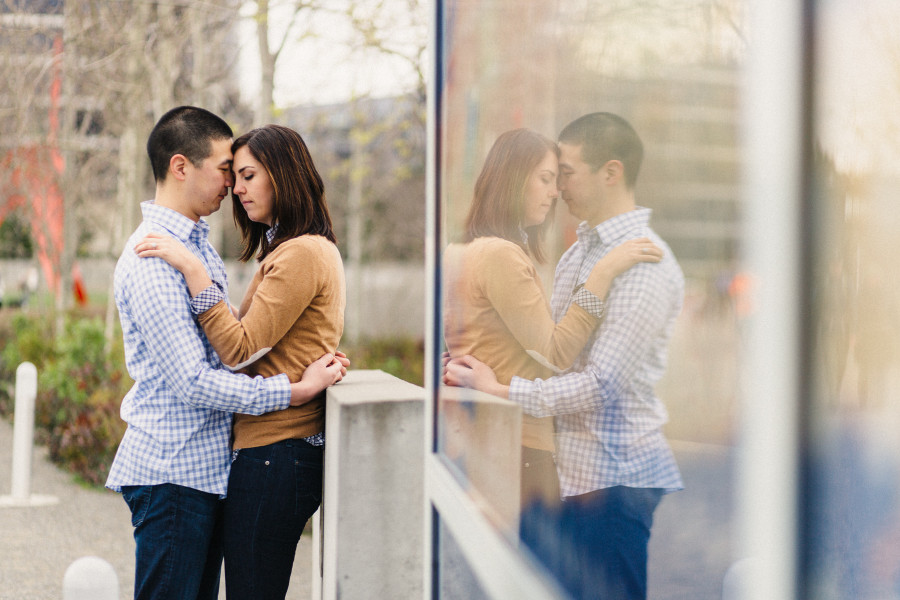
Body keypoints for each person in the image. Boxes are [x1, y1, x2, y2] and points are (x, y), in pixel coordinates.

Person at [106, 107, 345, 600]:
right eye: (225, 170)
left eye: (244, 174)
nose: (232, 186)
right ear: (180, 167)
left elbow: (236, 343)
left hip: (203, 470)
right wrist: (293, 389)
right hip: (173, 471)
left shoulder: (198, 249)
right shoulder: (154, 259)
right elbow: (196, 378)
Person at [445, 113, 684, 600]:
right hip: (574, 474)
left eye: (565, 173)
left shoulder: (643, 263)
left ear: (610, 173)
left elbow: (598, 385)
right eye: (548, 177)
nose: (557, 190)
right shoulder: (579, 253)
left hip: (614, 477)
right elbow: (554, 352)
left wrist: (501, 387)